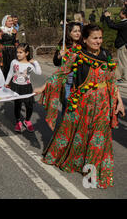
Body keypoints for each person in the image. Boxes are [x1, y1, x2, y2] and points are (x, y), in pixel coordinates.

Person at [34, 24, 125, 189]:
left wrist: (118, 101)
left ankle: (93, 173)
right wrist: (42, 88)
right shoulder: (77, 54)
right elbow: (60, 74)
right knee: (76, 133)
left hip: (103, 103)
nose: (98, 41)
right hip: (82, 101)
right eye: (94, 38)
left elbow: (111, 80)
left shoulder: (105, 54)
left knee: (99, 138)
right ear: (85, 39)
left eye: (100, 38)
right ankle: (67, 158)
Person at [5, 43, 42, 132]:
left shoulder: (30, 64)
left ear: (26, 53)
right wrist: (6, 84)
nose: (18, 54)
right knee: (17, 105)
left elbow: (39, 73)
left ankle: (27, 121)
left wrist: (35, 63)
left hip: (27, 87)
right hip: (16, 86)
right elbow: (10, 73)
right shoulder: (14, 62)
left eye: (21, 52)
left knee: (29, 106)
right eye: (17, 52)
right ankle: (18, 122)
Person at [104, 8, 127, 83]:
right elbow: (115, 25)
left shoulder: (124, 23)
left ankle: (124, 78)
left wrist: (107, 17)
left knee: (123, 62)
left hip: (122, 45)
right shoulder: (124, 23)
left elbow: (112, 25)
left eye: (120, 13)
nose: (119, 14)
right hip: (124, 45)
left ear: (123, 15)